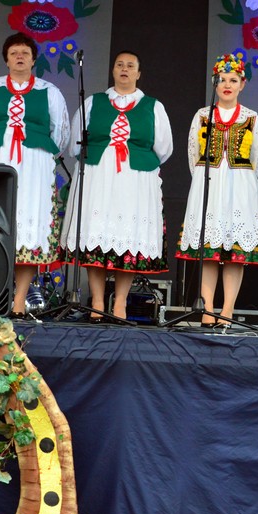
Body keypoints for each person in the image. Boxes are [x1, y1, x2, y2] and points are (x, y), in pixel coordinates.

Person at [61, 50, 173, 321]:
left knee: (129, 237)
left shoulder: (153, 106)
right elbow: (75, 142)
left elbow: (164, 148)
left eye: (130, 65)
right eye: (119, 64)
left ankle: (120, 302)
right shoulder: (93, 102)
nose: (124, 69)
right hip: (98, 176)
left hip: (134, 180)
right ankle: (98, 301)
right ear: (112, 71)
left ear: (138, 73)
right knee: (95, 235)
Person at [0, 32, 69, 318]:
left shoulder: (50, 91)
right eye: (14, 53)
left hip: (34, 165)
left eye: (25, 52)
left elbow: (61, 135)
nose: (20, 57)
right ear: (6, 60)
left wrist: (34, 151)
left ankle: (20, 300)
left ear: (34, 59)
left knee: (28, 227)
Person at [176, 54, 258, 327]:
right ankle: (207, 308)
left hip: (240, 188)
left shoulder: (252, 117)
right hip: (209, 184)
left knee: (235, 253)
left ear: (242, 84)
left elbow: (257, 158)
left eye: (233, 80)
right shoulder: (203, 115)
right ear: (215, 83)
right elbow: (193, 154)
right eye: (222, 80)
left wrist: (239, 180)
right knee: (209, 250)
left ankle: (227, 310)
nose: (227, 85)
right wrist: (208, 179)